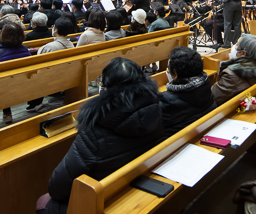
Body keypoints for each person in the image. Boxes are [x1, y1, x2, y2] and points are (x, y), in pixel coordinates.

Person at [38, 57, 163, 213]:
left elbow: (57, 187)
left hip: (104, 199)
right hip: (137, 179)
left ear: (107, 87)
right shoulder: (155, 107)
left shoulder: (96, 127)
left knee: (43, 201)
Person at [159, 47, 217, 137]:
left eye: (168, 68)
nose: (167, 71)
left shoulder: (166, 101)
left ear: (175, 74)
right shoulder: (205, 85)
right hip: (204, 130)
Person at [211, 34, 256, 105]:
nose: (234, 46)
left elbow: (212, 98)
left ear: (243, 53)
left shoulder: (231, 75)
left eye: (236, 44)